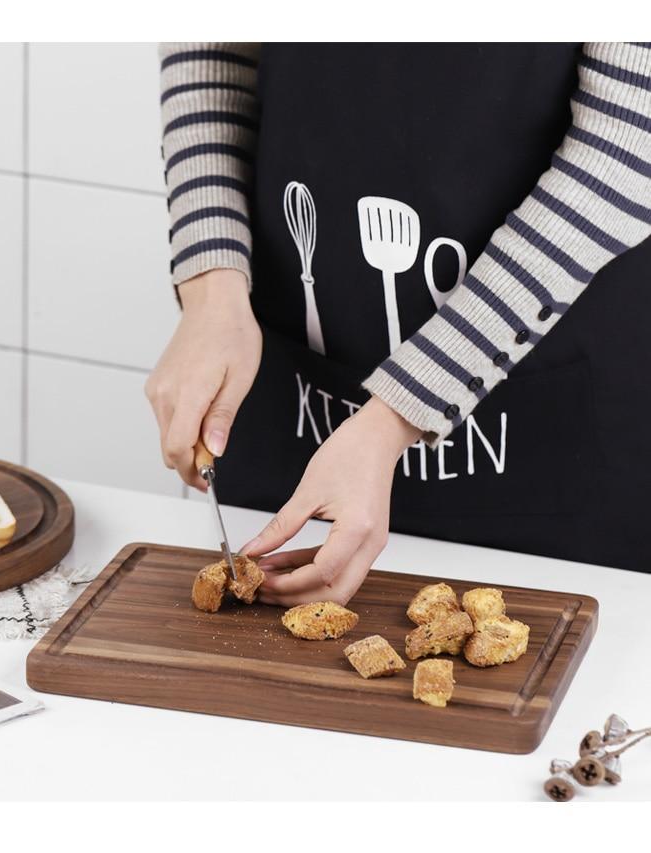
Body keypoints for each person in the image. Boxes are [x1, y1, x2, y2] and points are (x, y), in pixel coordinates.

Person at [147, 42, 651, 604]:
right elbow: (209, 54)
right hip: (295, 393)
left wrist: (395, 418)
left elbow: (622, 153)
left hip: (546, 427)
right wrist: (212, 291)